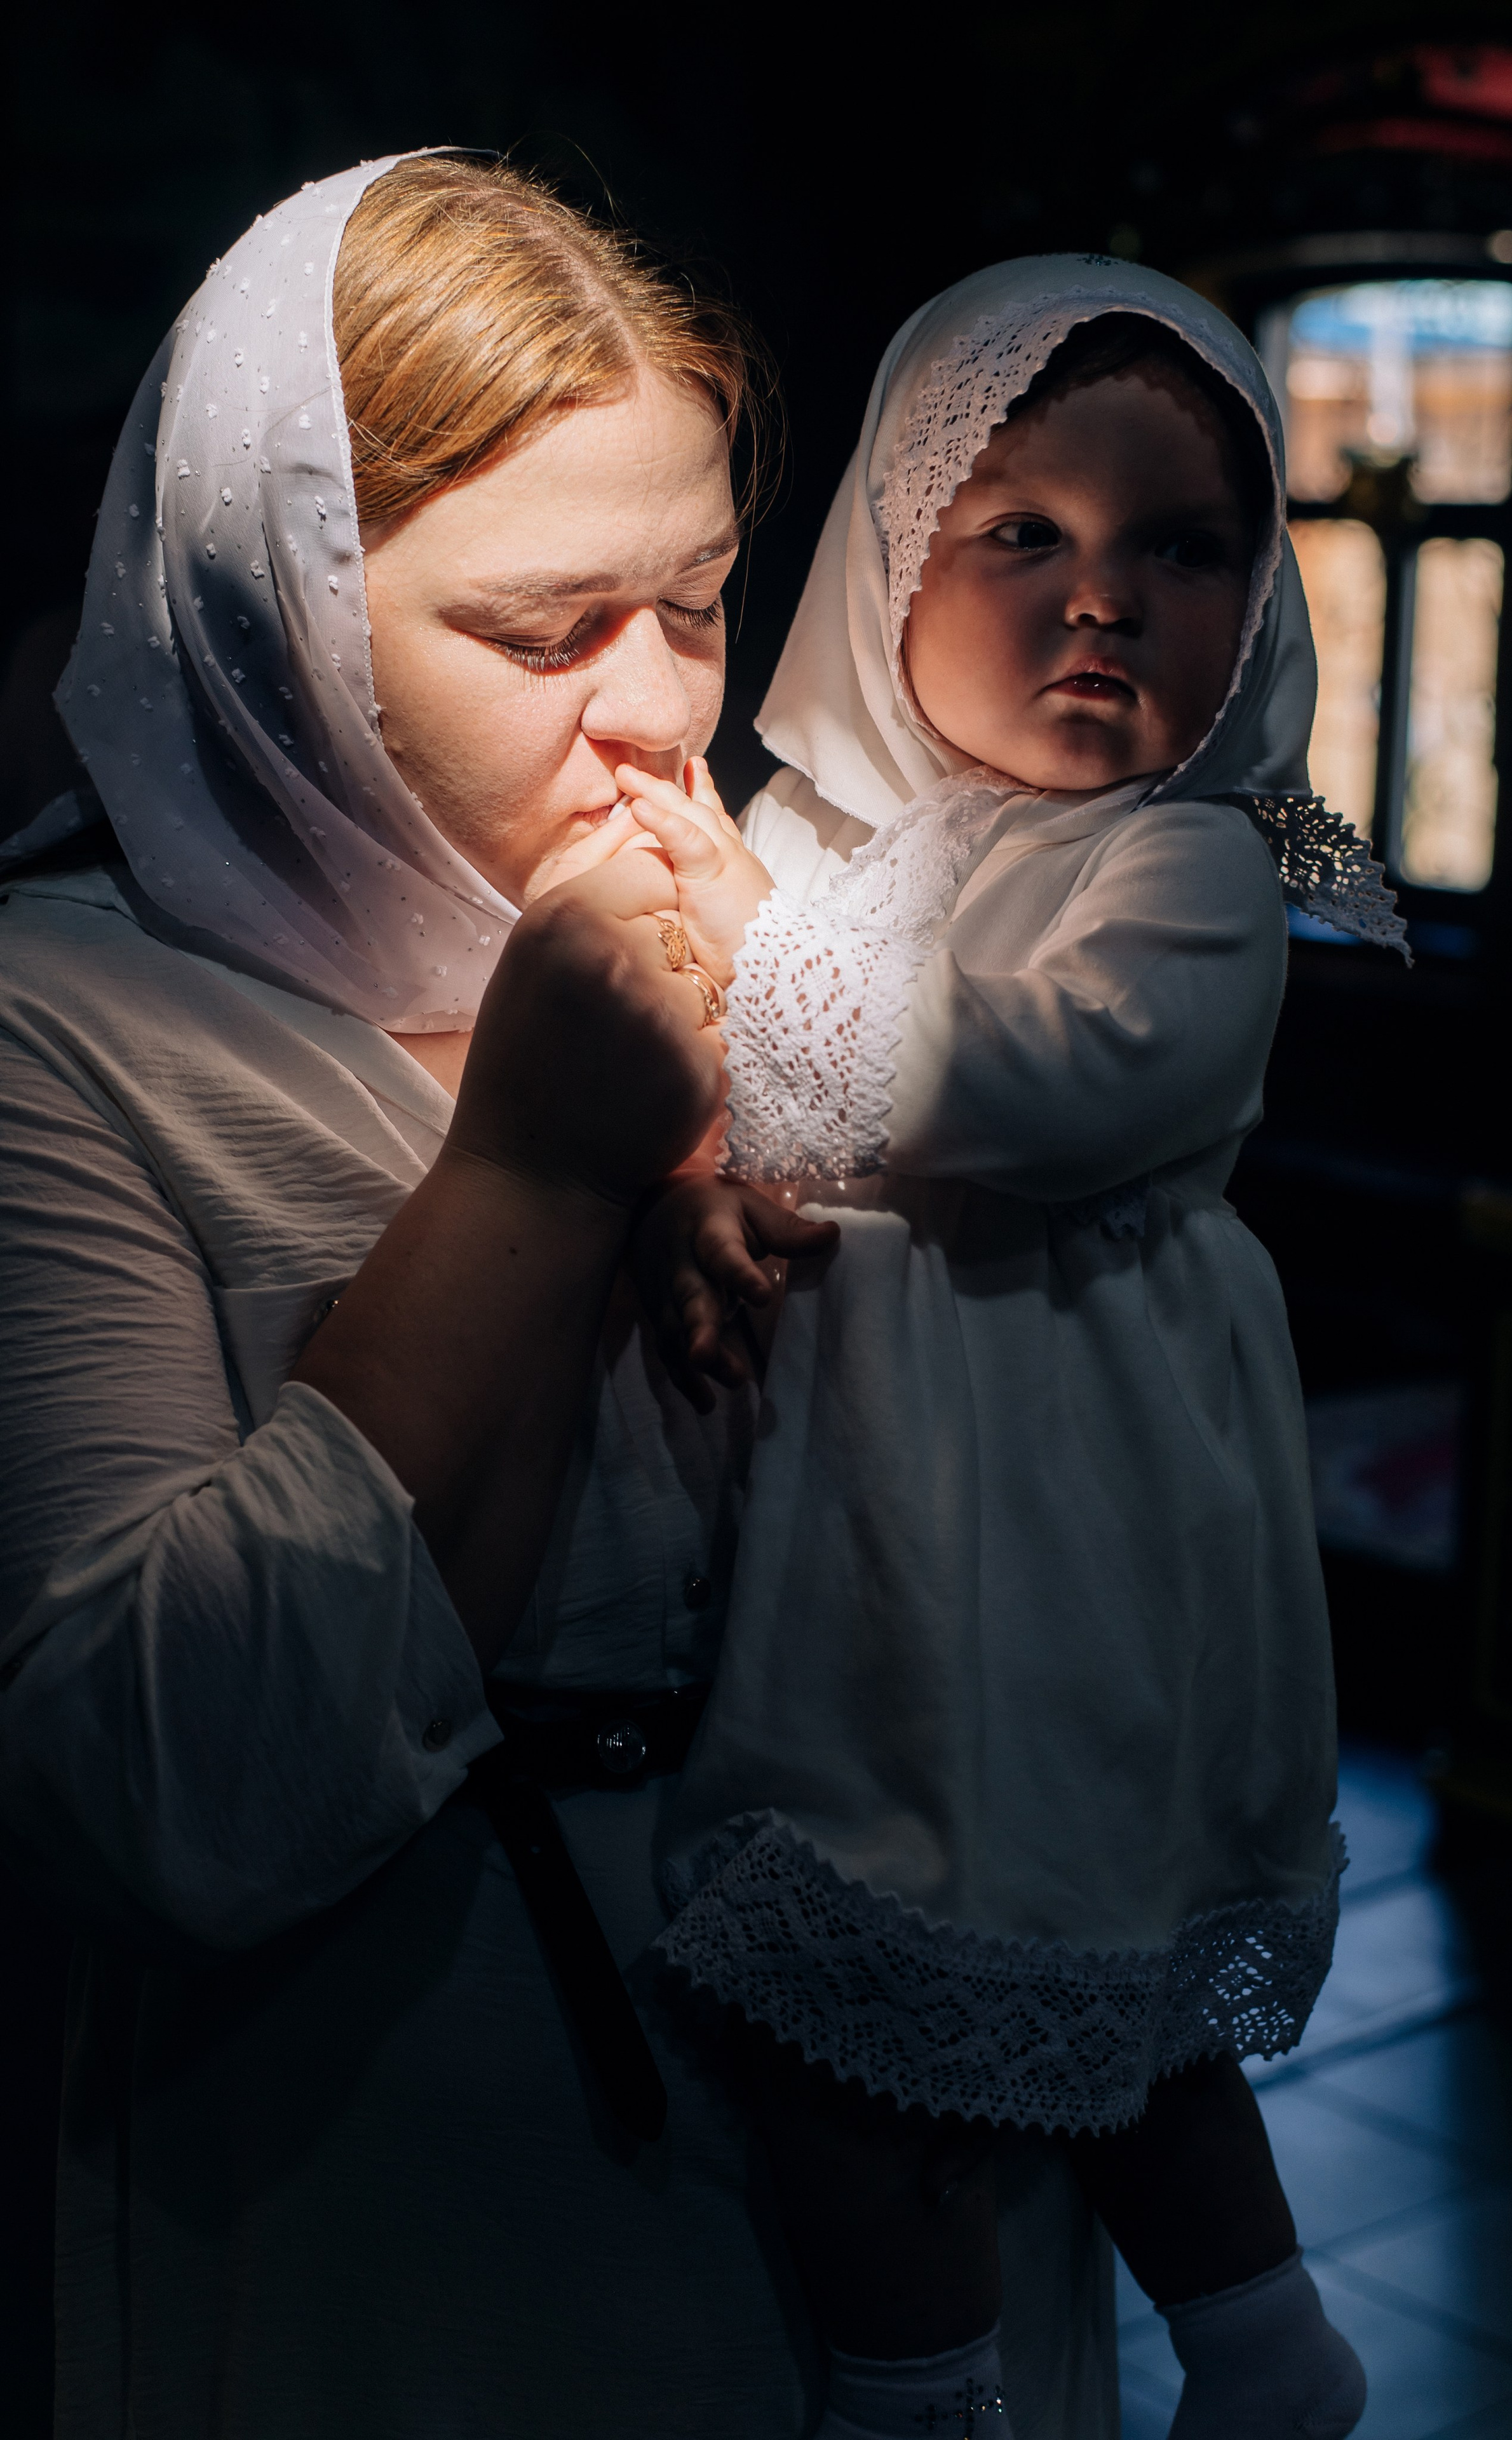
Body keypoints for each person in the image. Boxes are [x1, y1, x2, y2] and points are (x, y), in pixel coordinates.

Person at [0, 167, 1121, 2435]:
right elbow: (164, 1792)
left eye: (696, 602)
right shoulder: (71, 1029)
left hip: (910, 2132)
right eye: (538, 632)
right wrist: (527, 1162)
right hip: (410, 2203)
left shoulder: (808, 928)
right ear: (271, 615)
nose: (652, 716)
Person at [619, 260, 1405, 2437]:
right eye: (1023, 536)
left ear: (1263, 601)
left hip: (1073, 1499)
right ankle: (1225, 2352)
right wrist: (697, 1184)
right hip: (881, 1519)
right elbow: (705, 1079)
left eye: (1179, 548)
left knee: (1070, 1946)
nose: (1099, 603)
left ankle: (1026, 2374)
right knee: (933, 1961)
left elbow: (1022, 1086)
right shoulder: (814, 839)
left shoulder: (1195, 869)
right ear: (890, 559)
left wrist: (749, 953)